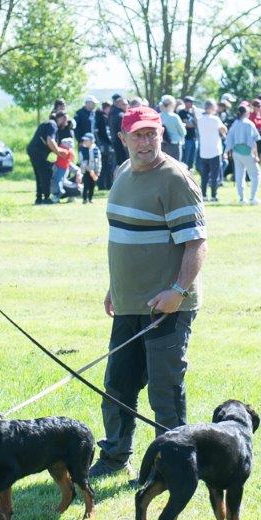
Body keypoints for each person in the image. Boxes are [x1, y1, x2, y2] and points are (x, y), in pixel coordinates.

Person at [90, 106, 207, 479]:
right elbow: (126, 235)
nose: (145, 141)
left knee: (164, 389)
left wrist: (177, 291)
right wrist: (116, 286)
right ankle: (115, 456)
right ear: (122, 139)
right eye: (137, 135)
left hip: (168, 305)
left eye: (151, 133)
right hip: (128, 303)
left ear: (162, 134)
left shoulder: (175, 177)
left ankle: (169, 463)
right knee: (117, 384)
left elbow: (196, 243)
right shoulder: (123, 173)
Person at [25, 110, 68, 205]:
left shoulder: (48, 123)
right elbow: (50, 140)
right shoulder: (53, 125)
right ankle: (46, 198)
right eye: (65, 121)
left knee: (39, 174)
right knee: (46, 173)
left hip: (33, 151)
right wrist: (59, 152)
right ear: (61, 118)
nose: (66, 124)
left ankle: (39, 198)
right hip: (38, 152)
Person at [226, 105, 261, 204]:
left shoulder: (235, 123)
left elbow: (229, 138)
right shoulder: (249, 124)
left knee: (239, 175)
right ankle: (253, 197)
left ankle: (242, 198)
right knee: (256, 174)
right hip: (247, 152)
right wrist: (255, 155)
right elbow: (253, 140)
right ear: (246, 112)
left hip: (236, 152)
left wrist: (228, 151)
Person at [195, 99, 226, 202]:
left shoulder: (200, 119)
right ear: (212, 108)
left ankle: (203, 195)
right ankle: (214, 195)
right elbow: (223, 129)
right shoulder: (215, 119)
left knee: (204, 175)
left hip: (204, 151)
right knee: (214, 175)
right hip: (215, 150)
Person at [158, 95, 185, 161]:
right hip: (174, 146)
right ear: (172, 104)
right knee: (176, 167)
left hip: (162, 145)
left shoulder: (158, 116)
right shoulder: (174, 117)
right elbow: (183, 132)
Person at [79, 133, 102, 203]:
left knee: (92, 185)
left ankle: (90, 198)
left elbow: (98, 161)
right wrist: (86, 167)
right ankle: (84, 199)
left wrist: (98, 171)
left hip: (94, 171)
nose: (85, 142)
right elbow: (81, 160)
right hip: (86, 170)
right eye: (84, 140)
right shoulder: (82, 149)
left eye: (87, 140)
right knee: (86, 185)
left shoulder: (96, 150)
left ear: (92, 141)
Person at [179, 96, 198, 169]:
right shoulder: (181, 113)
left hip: (193, 139)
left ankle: (190, 172)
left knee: (192, 159)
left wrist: (194, 113)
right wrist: (192, 124)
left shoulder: (192, 113)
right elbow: (187, 125)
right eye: (191, 102)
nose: (192, 104)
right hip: (186, 139)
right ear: (186, 103)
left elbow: (196, 124)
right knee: (185, 159)